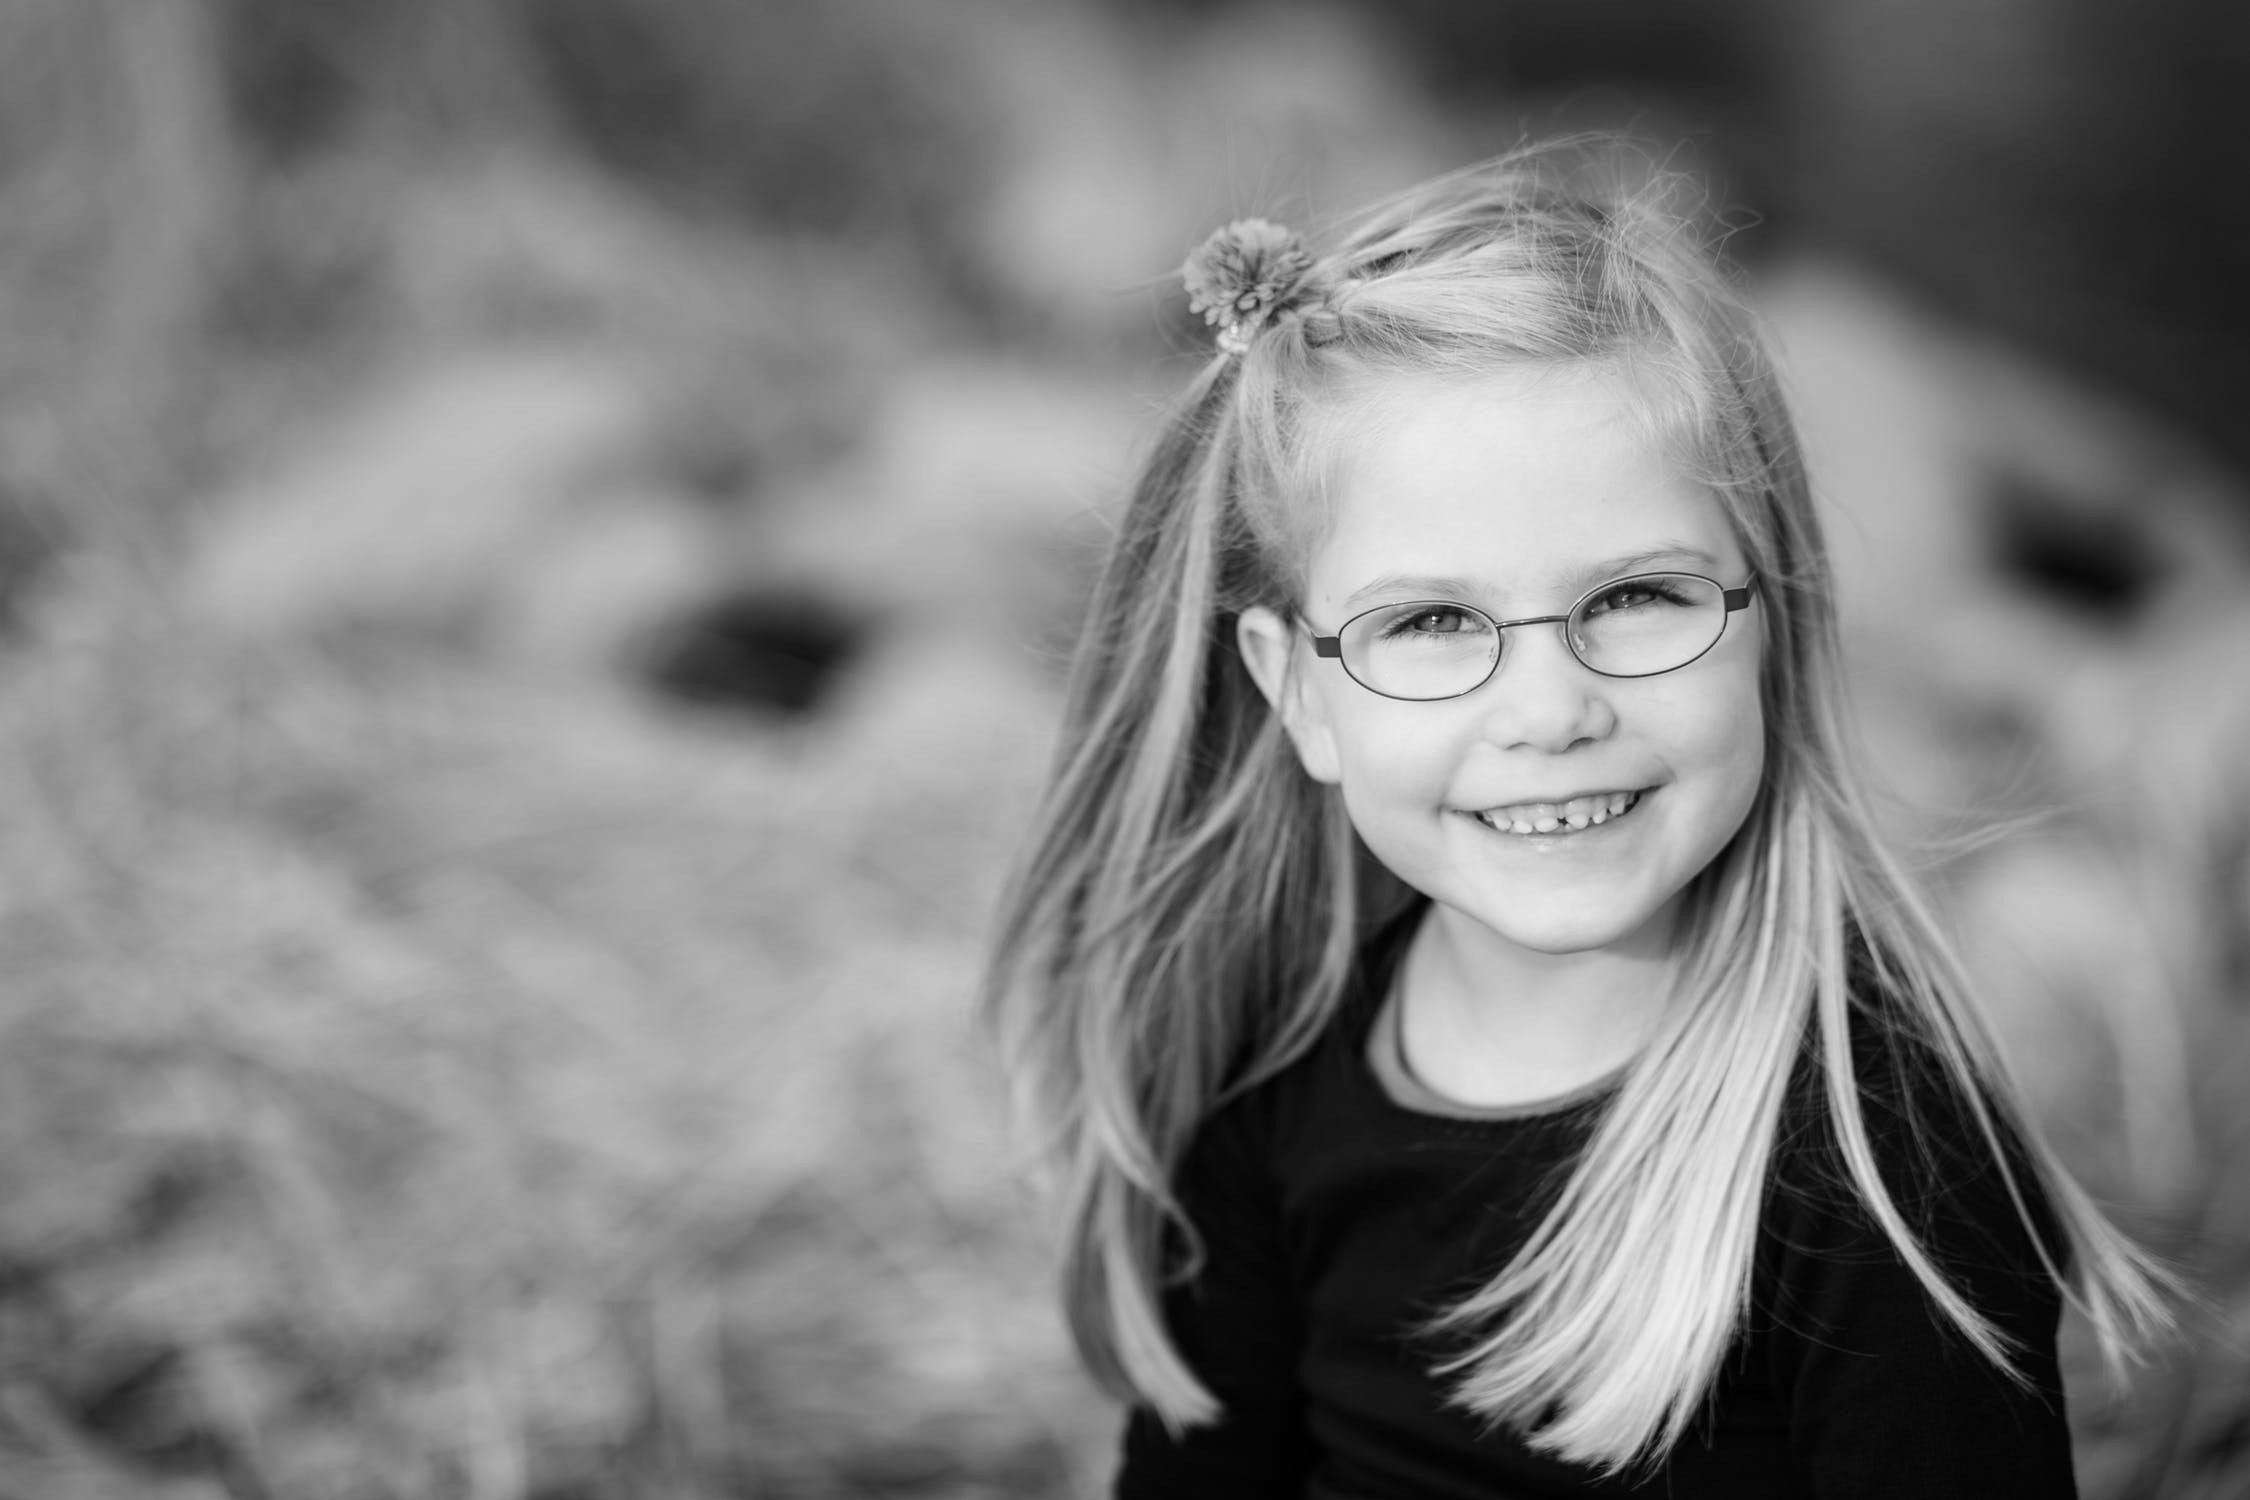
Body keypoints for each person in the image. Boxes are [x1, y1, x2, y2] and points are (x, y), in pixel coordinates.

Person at [983, 138, 2173, 1498]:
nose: (1549, 710)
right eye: (1430, 621)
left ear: (1769, 630)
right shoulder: (1273, 1083)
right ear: (1296, 692)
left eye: (1633, 598)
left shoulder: (1874, 1164)